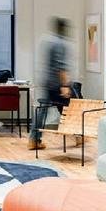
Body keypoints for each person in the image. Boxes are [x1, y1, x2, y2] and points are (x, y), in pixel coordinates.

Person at [30, 17, 74, 150]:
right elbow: (60, 66)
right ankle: (78, 136)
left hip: (47, 81)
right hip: (57, 84)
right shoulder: (60, 44)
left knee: (43, 111)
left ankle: (34, 139)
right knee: (70, 110)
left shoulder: (49, 41)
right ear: (63, 29)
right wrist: (65, 85)